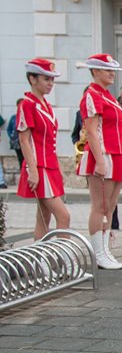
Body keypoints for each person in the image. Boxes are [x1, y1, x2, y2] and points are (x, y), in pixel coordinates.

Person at [76, 54, 122, 270]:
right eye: (107, 69)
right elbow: (91, 130)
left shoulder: (107, 95)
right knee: (100, 206)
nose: (111, 73)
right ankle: (98, 253)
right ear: (95, 71)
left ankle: (105, 250)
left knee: (110, 207)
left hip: (116, 153)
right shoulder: (92, 95)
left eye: (112, 70)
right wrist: (99, 161)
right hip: (103, 154)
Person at [16, 59, 70, 238]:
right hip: (39, 166)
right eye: (46, 79)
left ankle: (41, 254)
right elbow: (24, 140)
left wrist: (58, 168)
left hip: (50, 166)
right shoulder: (27, 104)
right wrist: (32, 170)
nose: (50, 83)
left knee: (43, 217)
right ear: (32, 79)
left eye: (52, 79)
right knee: (64, 216)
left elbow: (50, 141)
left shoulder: (45, 105)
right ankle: (64, 253)